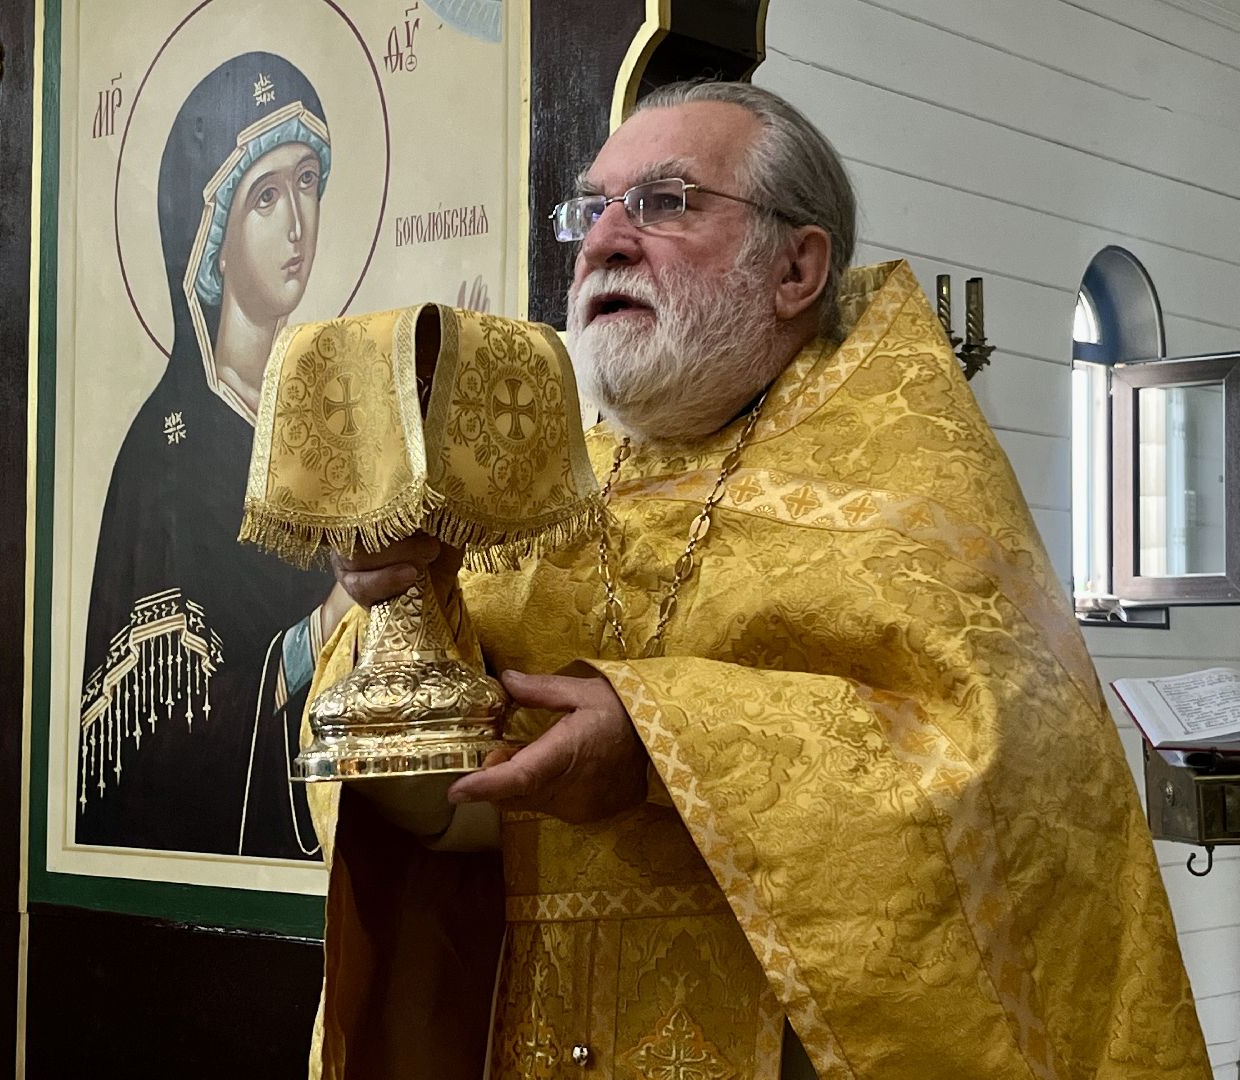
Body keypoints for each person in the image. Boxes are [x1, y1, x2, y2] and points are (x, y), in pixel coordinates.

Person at [304, 81, 1209, 1078]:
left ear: (795, 266)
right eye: (590, 209)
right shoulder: (529, 490)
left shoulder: (910, 486)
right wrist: (403, 621)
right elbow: (441, 823)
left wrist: (658, 748)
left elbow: (1009, 785)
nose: (603, 240)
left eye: (665, 202)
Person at [79, 52, 345, 857]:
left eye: (307, 181)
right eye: (266, 197)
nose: (298, 223)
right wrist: (319, 633)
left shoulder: (332, 425)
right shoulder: (163, 458)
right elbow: (152, 750)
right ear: (212, 244)